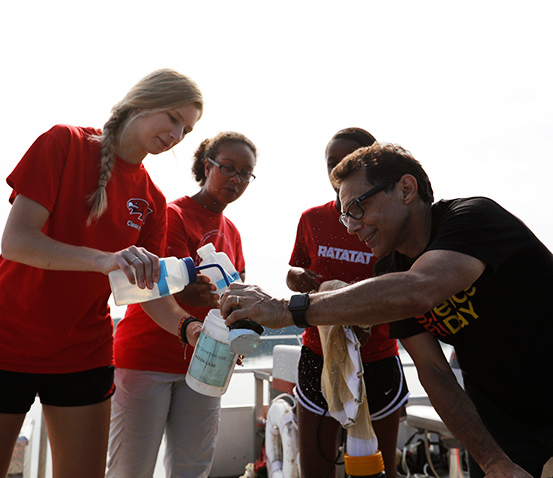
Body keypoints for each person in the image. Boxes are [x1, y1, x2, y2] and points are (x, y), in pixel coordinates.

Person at [221, 142, 553, 478]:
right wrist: (491, 461)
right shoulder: (390, 270)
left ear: (406, 189)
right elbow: (433, 370)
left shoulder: (472, 219)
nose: (351, 226)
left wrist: (285, 309)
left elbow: (418, 289)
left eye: (357, 208)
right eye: (344, 215)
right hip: (499, 416)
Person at [0, 68, 205, 478]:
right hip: (1, 345)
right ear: (142, 101)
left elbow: (149, 294)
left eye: (187, 130)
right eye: (174, 119)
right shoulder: (63, 143)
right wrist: (104, 259)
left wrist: (190, 329)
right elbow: (16, 241)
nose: (178, 135)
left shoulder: (153, 201)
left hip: (82, 355)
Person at [107, 131, 257, 478]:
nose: (236, 179)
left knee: (193, 468)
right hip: (148, 359)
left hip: (206, 365)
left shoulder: (231, 231)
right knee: (130, 469)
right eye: (228, 168)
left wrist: (239, 330)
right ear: (207, 166)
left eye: (245, 173)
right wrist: (200, 294)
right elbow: (166, 292)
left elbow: (235, 295)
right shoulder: (172, 215)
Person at [287, 128, 407, 478]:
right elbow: (298, 271)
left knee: (378, 470)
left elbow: (406, 288)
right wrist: (295, 278)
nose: (338, 169)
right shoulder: (312, 219)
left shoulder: (392, 222)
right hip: (318, 357)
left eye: (349, 161)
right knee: (315, 469)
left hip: (378, 357)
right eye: (332, 163)